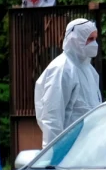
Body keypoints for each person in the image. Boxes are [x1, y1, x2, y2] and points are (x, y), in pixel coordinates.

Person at [34, 18, 102, 148]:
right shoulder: (61, 69)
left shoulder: (89, 70)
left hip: (88, 148)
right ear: (75, 40)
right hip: (69, 149)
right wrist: (52, 155)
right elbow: (52, 117)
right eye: (90, 39)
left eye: (95, 39)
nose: (94, 44)